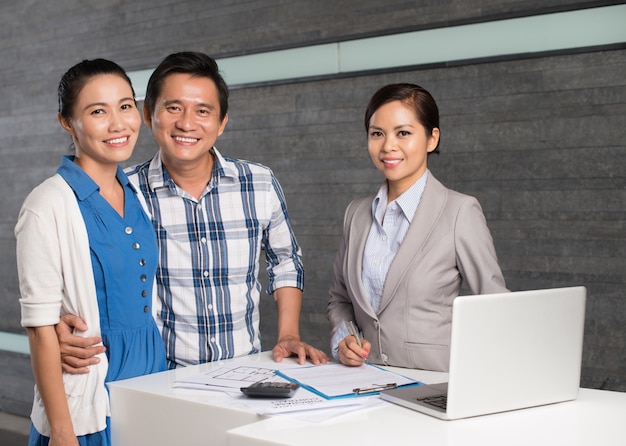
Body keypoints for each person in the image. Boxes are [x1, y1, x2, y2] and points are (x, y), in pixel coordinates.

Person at [56, 51, 329, 371]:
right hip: (158, 376)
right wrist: (58, 324)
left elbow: (285, 260)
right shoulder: (124, 191)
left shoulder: (258, 182)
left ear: (222, 122)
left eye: (203, 111)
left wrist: (288, 333)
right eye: (173, 108)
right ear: (148, 114)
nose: (187, 123)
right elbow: (83, 273)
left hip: (245, 371)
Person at [16, 59, 166, 445]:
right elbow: (40, 328)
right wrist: (63, 433)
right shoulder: (47, 204)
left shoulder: (136, 192)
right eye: (98, 111)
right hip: (87, 395)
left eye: (125, 105)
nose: (118, 124)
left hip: (152, 381)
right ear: (68, 122)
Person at [327, 83, 508, 372]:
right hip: (363, 382)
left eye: (403, 133)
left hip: (436, 383)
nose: (388, 146)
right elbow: (340, 299)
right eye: (377, 134)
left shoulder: (460, 211)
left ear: (431, 138)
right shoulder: (356, 214)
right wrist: (345, 337)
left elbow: (496, 306)